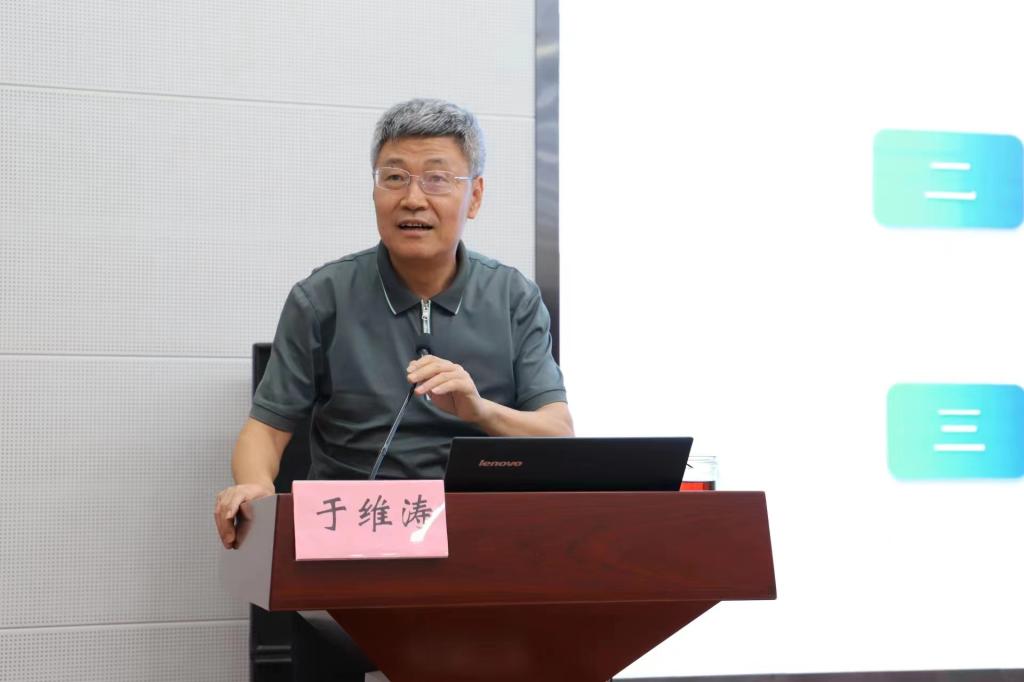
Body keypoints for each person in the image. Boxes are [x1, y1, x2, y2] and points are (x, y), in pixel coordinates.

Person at [213, 98, 573, 681]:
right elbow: (267, 429)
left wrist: (479, 410)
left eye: (437, 179)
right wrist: (254, 487)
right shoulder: (322, 298)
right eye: (395, 177)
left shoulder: (513, 298)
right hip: (352, 549)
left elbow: (557, 432)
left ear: (474, 196)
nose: (413, 199)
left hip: (478, 553)